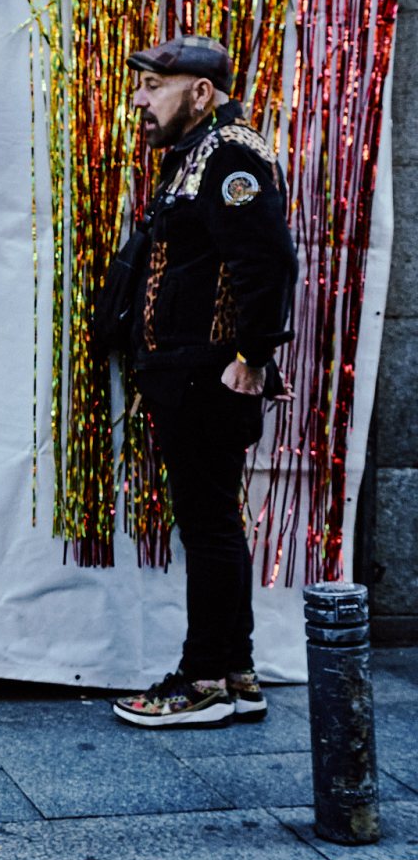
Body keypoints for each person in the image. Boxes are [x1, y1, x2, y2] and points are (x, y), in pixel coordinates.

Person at [111, 35, 298, 728]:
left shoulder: (229, 154)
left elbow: (267, 259)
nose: (140, 100)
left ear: (199, 92)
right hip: (185, 370)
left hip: (204, 372)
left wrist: (251, 354)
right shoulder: (197, 152)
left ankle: (203, 682)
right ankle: (238, 673)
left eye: (154, 86)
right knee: (216, 523)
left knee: (210, 525)